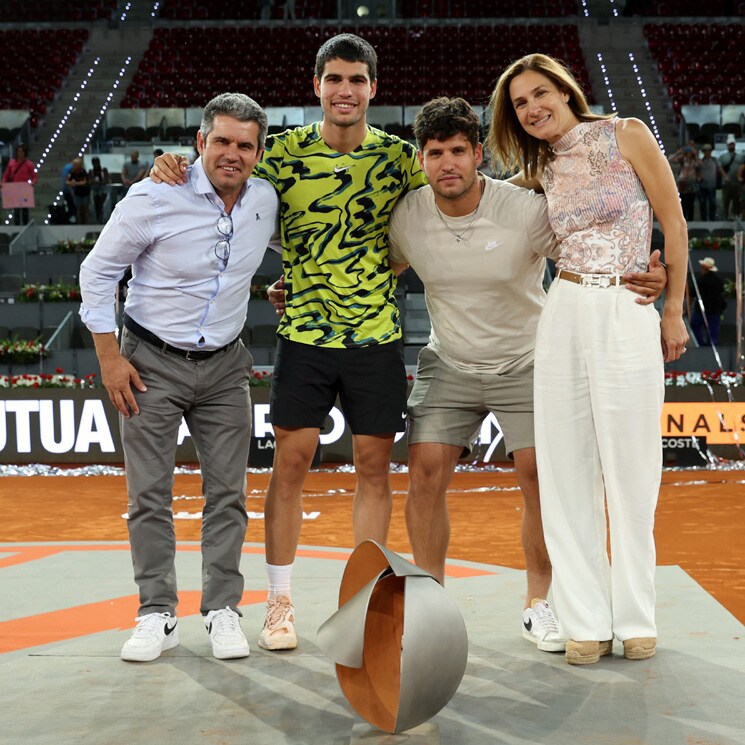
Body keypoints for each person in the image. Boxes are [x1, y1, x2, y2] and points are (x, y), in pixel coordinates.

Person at [267, 97, 667, 653]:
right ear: (422, 159)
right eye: (435, 153)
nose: (447, 162)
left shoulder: (524, 211)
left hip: (527, 360)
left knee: (536, 475)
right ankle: (432, 603)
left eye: (458, 150)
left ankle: (540, 604)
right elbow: (363, 262)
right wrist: (292, 285)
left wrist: (650, 269)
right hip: (449, 360)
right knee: (425, 471)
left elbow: (585, 250)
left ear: (479, 153)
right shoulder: (406, 216)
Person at [151, 34, 426, 653]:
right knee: (291, 466)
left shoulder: (400, 159)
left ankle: (364, 602)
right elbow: (222, 183)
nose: (346, 91)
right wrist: (170, 162)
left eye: (357, 80)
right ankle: (279, 601)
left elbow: (438, 214)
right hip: (304, 336)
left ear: (373, 88)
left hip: (376, 338)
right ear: (317, 85)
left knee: (376, 469)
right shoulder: (281, 154)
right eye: (335, 79)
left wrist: (394, 264)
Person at [488, 53, 688, 665]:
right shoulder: (539, 165)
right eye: (520, 103)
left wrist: (674, 305)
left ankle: (635, 618)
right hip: (563, 310)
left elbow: (673, 220)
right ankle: (585, 621)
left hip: (626, 306)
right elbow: (474, 191)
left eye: (539, 93)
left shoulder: (625, 133)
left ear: (566, 90)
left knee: (631, 470)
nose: (532, 108)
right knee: (567, 473)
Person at [79, 93, 279, 663]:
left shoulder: (266, 201)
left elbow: (304, 247)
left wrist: (285, 287)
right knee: (148, 495)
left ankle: (222, 609)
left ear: (258, 152)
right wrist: (109, 356)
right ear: (200, 143)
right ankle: (155, 612)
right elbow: (97, 272)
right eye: (222, 141)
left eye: (245, 145)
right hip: (149, 367)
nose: (232, 154)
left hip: (224, 368)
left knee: (229, 496)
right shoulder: (153, 195)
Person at [689, 257, 726, 346]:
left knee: (695, 325)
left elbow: (692, 294)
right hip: (715, 310)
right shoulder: (719, 280)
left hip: (701, 310)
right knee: (713, 332)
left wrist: (687, 308)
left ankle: (701, 344)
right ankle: (711, 347)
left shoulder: (701, 280)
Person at [2, 144, 37, 225]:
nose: (20, 153)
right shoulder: (11, 163)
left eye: (22, 151)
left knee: (25, 208)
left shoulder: (29, 164)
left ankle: (25, 224)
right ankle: (17, 225)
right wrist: (3, 183)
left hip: (24, 188)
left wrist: (33, 183)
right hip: (14, 188)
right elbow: (6, 175)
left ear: (25, 153)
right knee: (16, 209)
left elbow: (34, 177)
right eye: (18, 151)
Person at [668, 145, 698, 221]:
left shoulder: (694, 160)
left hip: (692, 182)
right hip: (683, 182)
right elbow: (670, 159)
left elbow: (700, 164)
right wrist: (678, 152)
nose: (689, 154)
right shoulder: (682, 159)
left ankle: (690, 220)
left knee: (691, 202)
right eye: (687, 152)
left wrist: (695, 155)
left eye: (690, 153)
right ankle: (684, 219)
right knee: (683, 202)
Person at [718, 134, 744, 220]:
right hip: (726, 184)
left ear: (735, 144)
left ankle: (736, 219)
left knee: (737, 203)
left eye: (732, 144)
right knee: (725, 202)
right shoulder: (722, 157)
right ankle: (725, 219)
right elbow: (719, 168)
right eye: (730, 144)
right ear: (727, 145)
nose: (731, 145)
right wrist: (724, 176)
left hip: (737, 184)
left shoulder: (740, 157)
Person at [65, 157, 91, 225]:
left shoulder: (84, 171)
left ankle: (86, 223)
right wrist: (72, 183)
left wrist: (75, 183)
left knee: (85, 210)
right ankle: (79, 224)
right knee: (78, 210)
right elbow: (67, 182)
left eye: (75, 165)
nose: (74, 166)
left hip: (85, 193)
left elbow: (85, 182)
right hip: (77, 193)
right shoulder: (71, 172)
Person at [697, 144, 718, 221]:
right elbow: (697, 170)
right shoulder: (700, 161)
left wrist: (725, 176)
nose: (707, 152)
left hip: (712, 185)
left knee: (712, 203)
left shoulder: (715, 160)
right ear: (704, 152)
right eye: (705, 151)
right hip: (702, 186)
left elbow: (720, 169)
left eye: (708, 150)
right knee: (702, 203)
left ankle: (712, 219)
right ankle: (704, 219)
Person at [88, 156, 110, 224]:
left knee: (102, 205)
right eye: (94, 162)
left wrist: (98, 182)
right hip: (95, 190)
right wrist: (95, 182)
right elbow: (90, 181)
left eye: (96, 162)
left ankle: (102, 218)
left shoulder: (104, 170)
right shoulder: (91, 171)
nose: (95, 164)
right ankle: (98, 219)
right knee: (96, 205)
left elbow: (106, 180)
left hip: (103, 190)